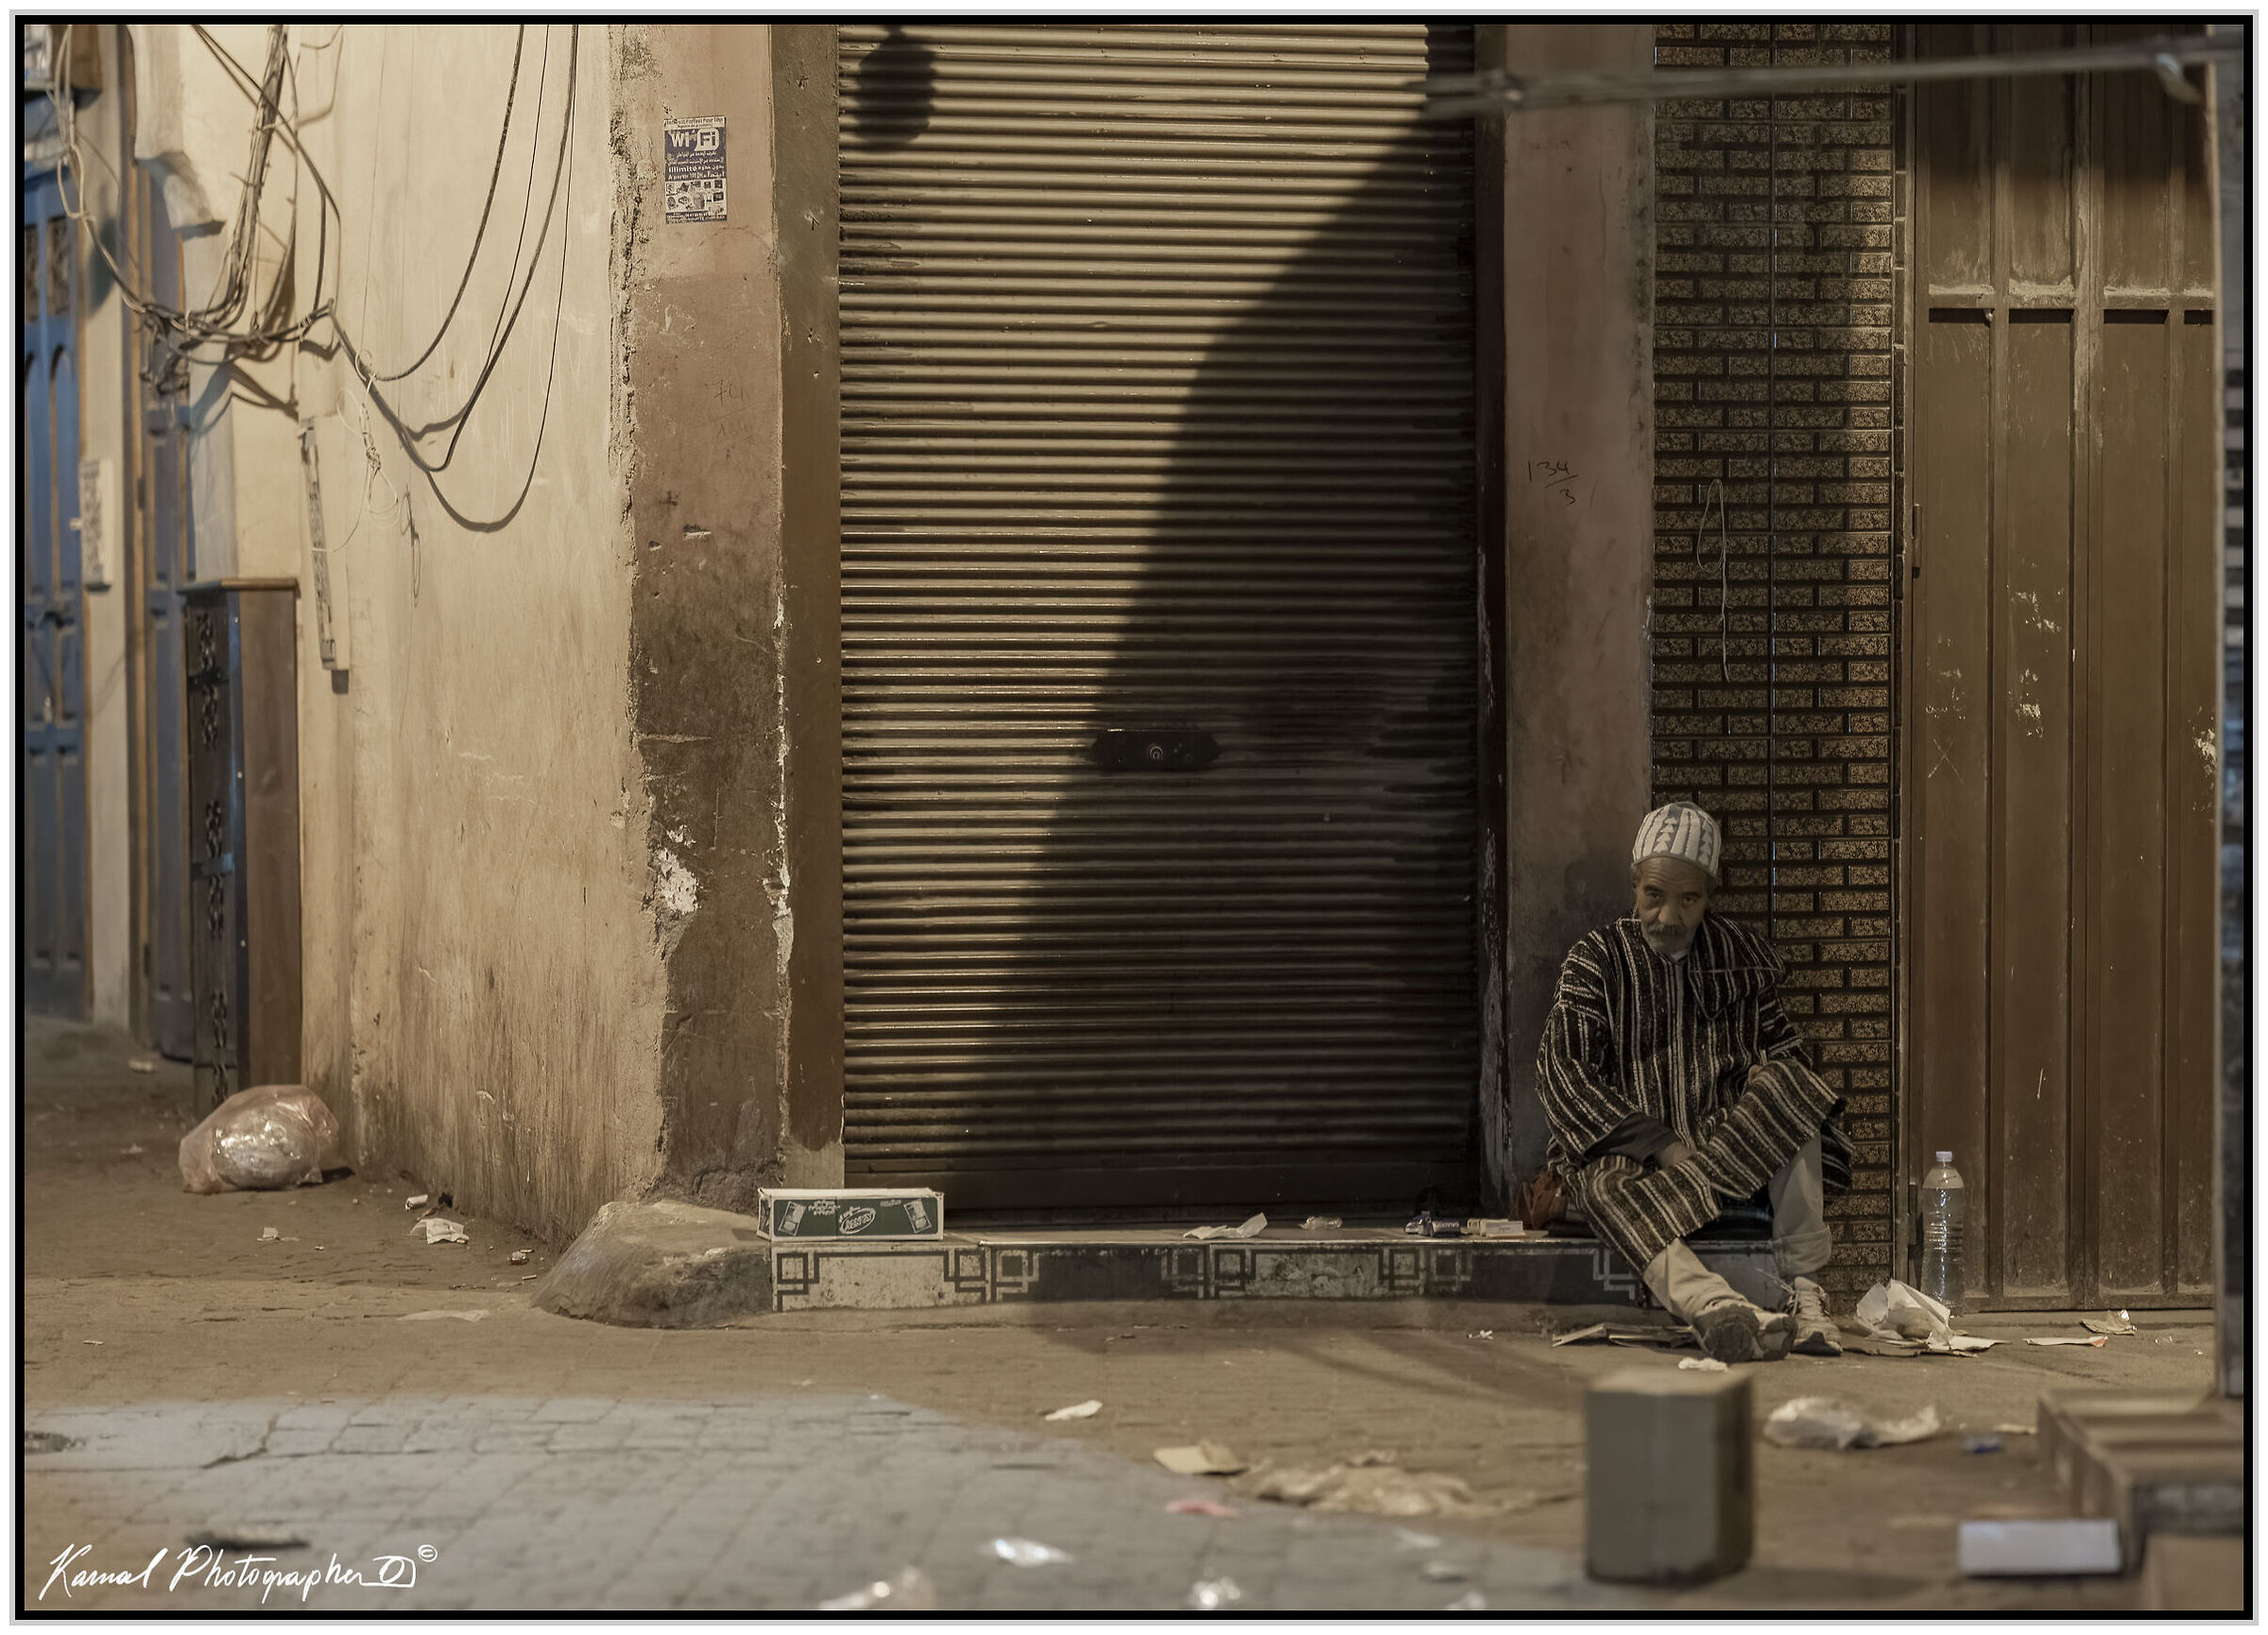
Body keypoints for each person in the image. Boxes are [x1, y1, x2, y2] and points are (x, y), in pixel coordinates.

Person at [1536, 801, 1853, 1364]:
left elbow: (1787, 1050)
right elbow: (1565, 1075)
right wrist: (1660, 1144)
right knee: (1599, 1184)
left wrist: (1768, 1071)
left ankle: (1804, 1296)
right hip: (1630, 1153)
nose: (1669, 917)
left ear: (1709, 895)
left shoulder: (1741, 958)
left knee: (1794, 1094)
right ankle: (1716, 1308)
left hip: (1722, 1146)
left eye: (1689, 900)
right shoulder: (1596, 961)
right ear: (1635, 885)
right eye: (1655, 896)